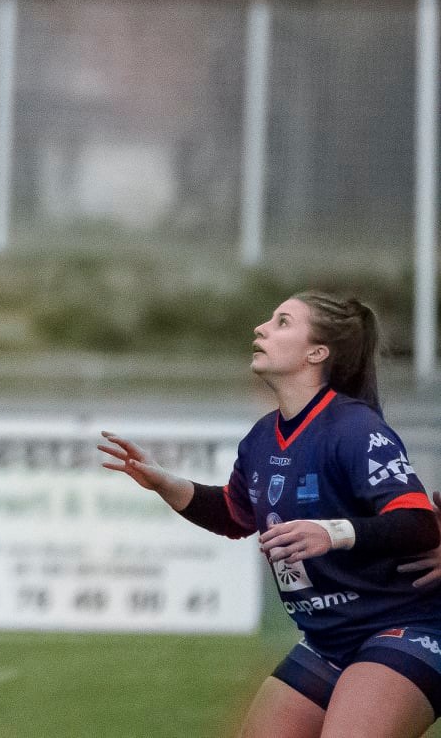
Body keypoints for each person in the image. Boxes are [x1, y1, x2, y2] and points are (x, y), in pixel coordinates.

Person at [100, 293, 441, 738]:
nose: (261, 328)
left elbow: (417, 523)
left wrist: (332, 533)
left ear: (316, 353)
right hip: (326, 641)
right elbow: (233, 515)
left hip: (400, 628)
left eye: (282, 323)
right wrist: (166, 482)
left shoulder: (356, 429)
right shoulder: (262, 436)